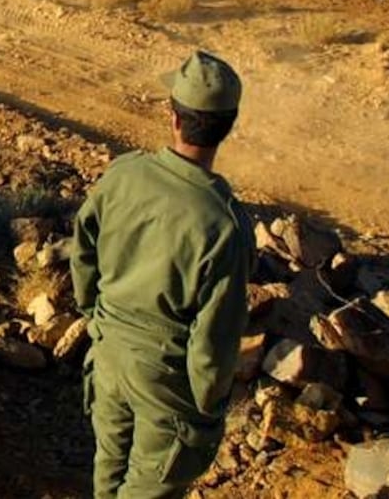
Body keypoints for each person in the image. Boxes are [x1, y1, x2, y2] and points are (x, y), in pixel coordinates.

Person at [71, 50, 254, 499]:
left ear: (173, 117)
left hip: (109, 350)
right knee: (149, 488)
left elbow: (83, 252)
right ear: (229, 126)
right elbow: (216, 336)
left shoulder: (122, 174)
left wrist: (95, 313)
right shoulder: (225, 224)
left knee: (109, 470)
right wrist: (208, 406)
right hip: (167, 374)